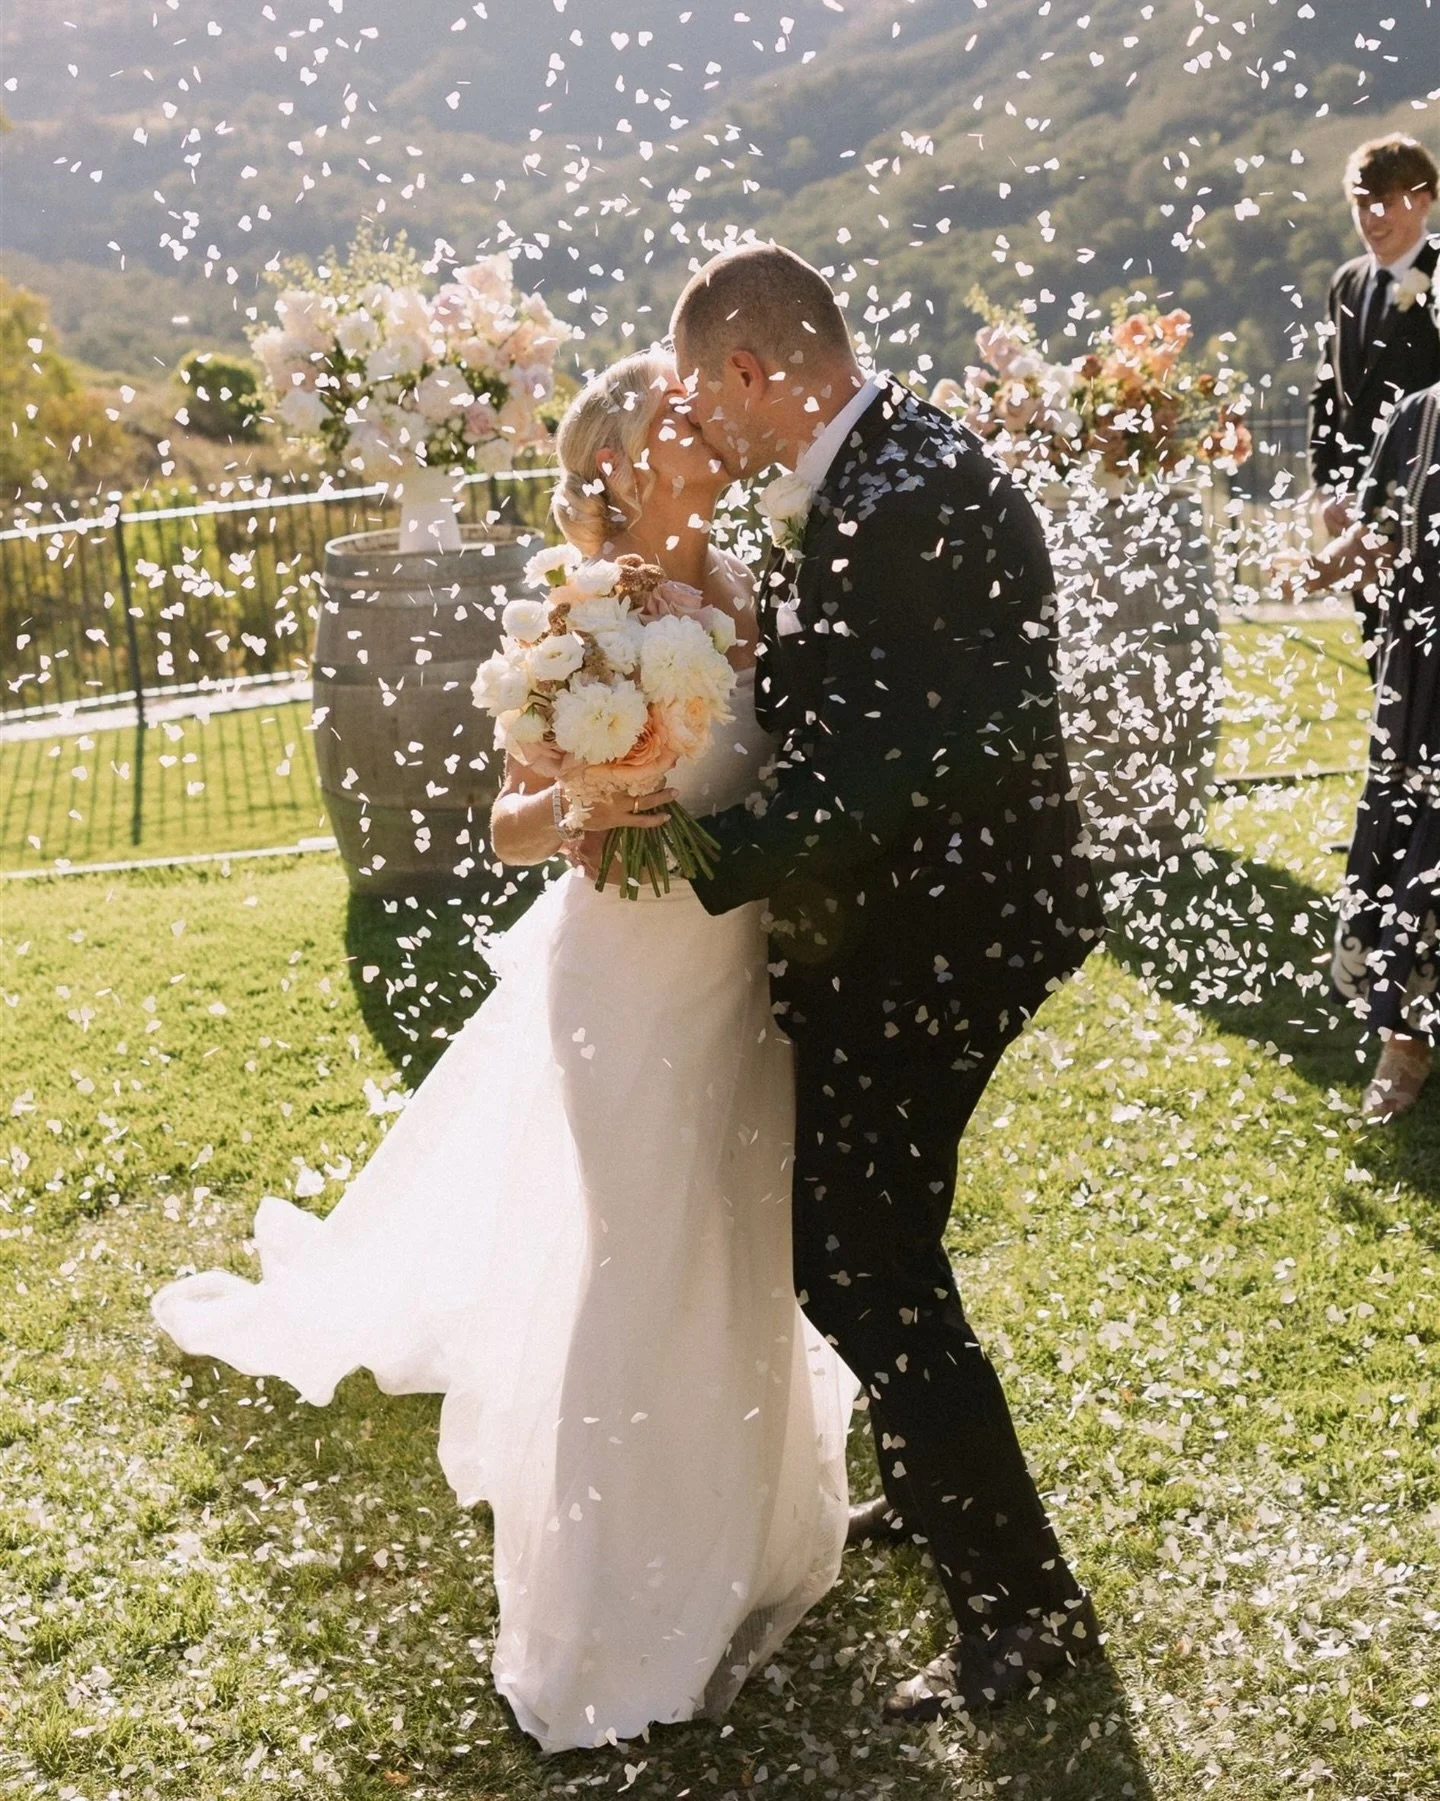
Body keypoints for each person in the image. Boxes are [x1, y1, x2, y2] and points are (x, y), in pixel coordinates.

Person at [151, 349, 857, 1753]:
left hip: (750, 971)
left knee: (739, 1235)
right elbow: (509, 828)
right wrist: (603, 796)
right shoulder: (578, 612)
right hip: (627, 978)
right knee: (639, 1248)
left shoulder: (751, 583)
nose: (703, 429)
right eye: (675, 419)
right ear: (618, 463)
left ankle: (748, 1532)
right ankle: (604, 1609)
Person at [661, 243, 1107, 1721]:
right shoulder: (876, 466)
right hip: (934, 918)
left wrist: (687, 842)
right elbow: (831, 690)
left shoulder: (903, 494)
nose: (700, 432)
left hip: (948, 928)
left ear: (745, 372)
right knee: (868, 1234)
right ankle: (934, 1487)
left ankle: (1025, 1609)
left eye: (699, 398)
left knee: (860, 1254)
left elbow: (889, 762)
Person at [1307, 373, 1440, 1121]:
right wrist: (1328, 564)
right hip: (1424, 669)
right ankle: (1404, 1041)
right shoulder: (1418, 414)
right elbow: (1381, 531)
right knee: (1414, 837)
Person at [1308, 133, 1439, 651]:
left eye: (1386, 202)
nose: (1372, 218)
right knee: (1382, 668)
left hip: (1427, 515)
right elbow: (1327, 394)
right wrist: (1326, 488)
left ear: (1425, 198)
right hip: (1355, 514)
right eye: (1362, 205)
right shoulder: (1346, 282)